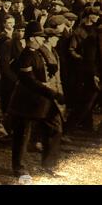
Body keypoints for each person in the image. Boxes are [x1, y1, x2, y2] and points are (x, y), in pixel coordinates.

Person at [9, 21, 65, 177]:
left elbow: (41, 69)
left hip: (42, 100)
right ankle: (18, 168)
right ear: (32, 38)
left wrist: (49, 70)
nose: (42, 40)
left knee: (55, 128)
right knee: (22, 135)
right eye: (40, 37)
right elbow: (30, 82)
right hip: (26, 102)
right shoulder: (26, 55)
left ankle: (48, 165)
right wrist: (52, 93)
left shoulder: (37, 52)